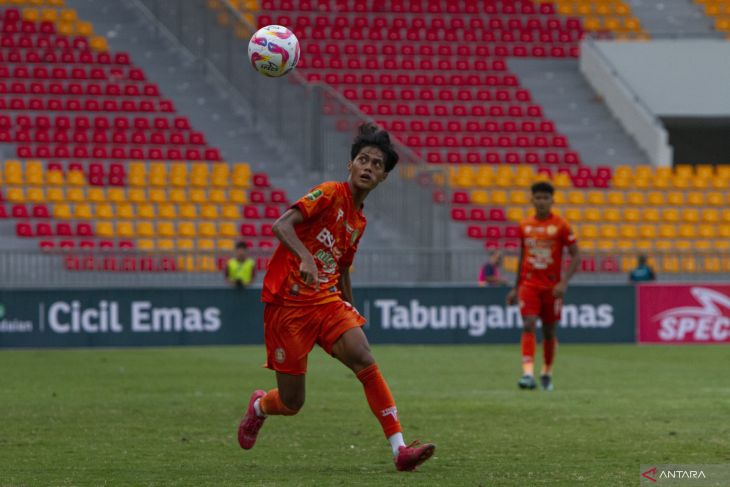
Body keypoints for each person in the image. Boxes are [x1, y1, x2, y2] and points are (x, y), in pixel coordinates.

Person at [237, 123, 435, 472]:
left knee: (364, 356)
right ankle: (258, 407)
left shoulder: (358, 220)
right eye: (363, 159)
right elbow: (281, 225)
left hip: (326, 302)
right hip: (288, 306)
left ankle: (400, 450)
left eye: (376, 164)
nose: (368, 167)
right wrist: (306, 257)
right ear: (350, 165)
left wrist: (350, 305)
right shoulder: (329, 193)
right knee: (292, 401)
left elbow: (343, 267)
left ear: (383, 177)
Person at [506, 182, 579, 392]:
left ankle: (546, 371)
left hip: (552, 288)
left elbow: (576, 255)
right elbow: (522, 257)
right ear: (532, 200)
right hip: (529, 285)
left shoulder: (561, 225)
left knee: (549, 331)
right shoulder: (524, 226)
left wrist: (563, 282)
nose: (541, 201)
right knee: (528, 323)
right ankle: (527, 374)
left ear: (552, 200)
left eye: (545, 198)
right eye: (538, 197)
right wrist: (515, 286)